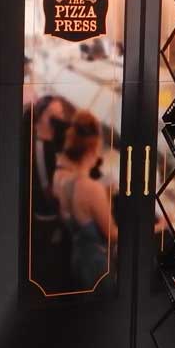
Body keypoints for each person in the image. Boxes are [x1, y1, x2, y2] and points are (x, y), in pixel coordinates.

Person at [53, 110, 117, 291]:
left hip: (78, 260)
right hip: (97, 267)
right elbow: (113, 234)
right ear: (92, 149)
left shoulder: (62, 178)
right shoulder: (92, 188)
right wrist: (155, 228)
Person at [27, 93, 74, 293]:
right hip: (47, 218)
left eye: (61, 114)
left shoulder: (51, 142)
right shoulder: (39, 146)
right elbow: (47, 188)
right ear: (42, 116)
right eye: (54, 115)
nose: (59, 119)